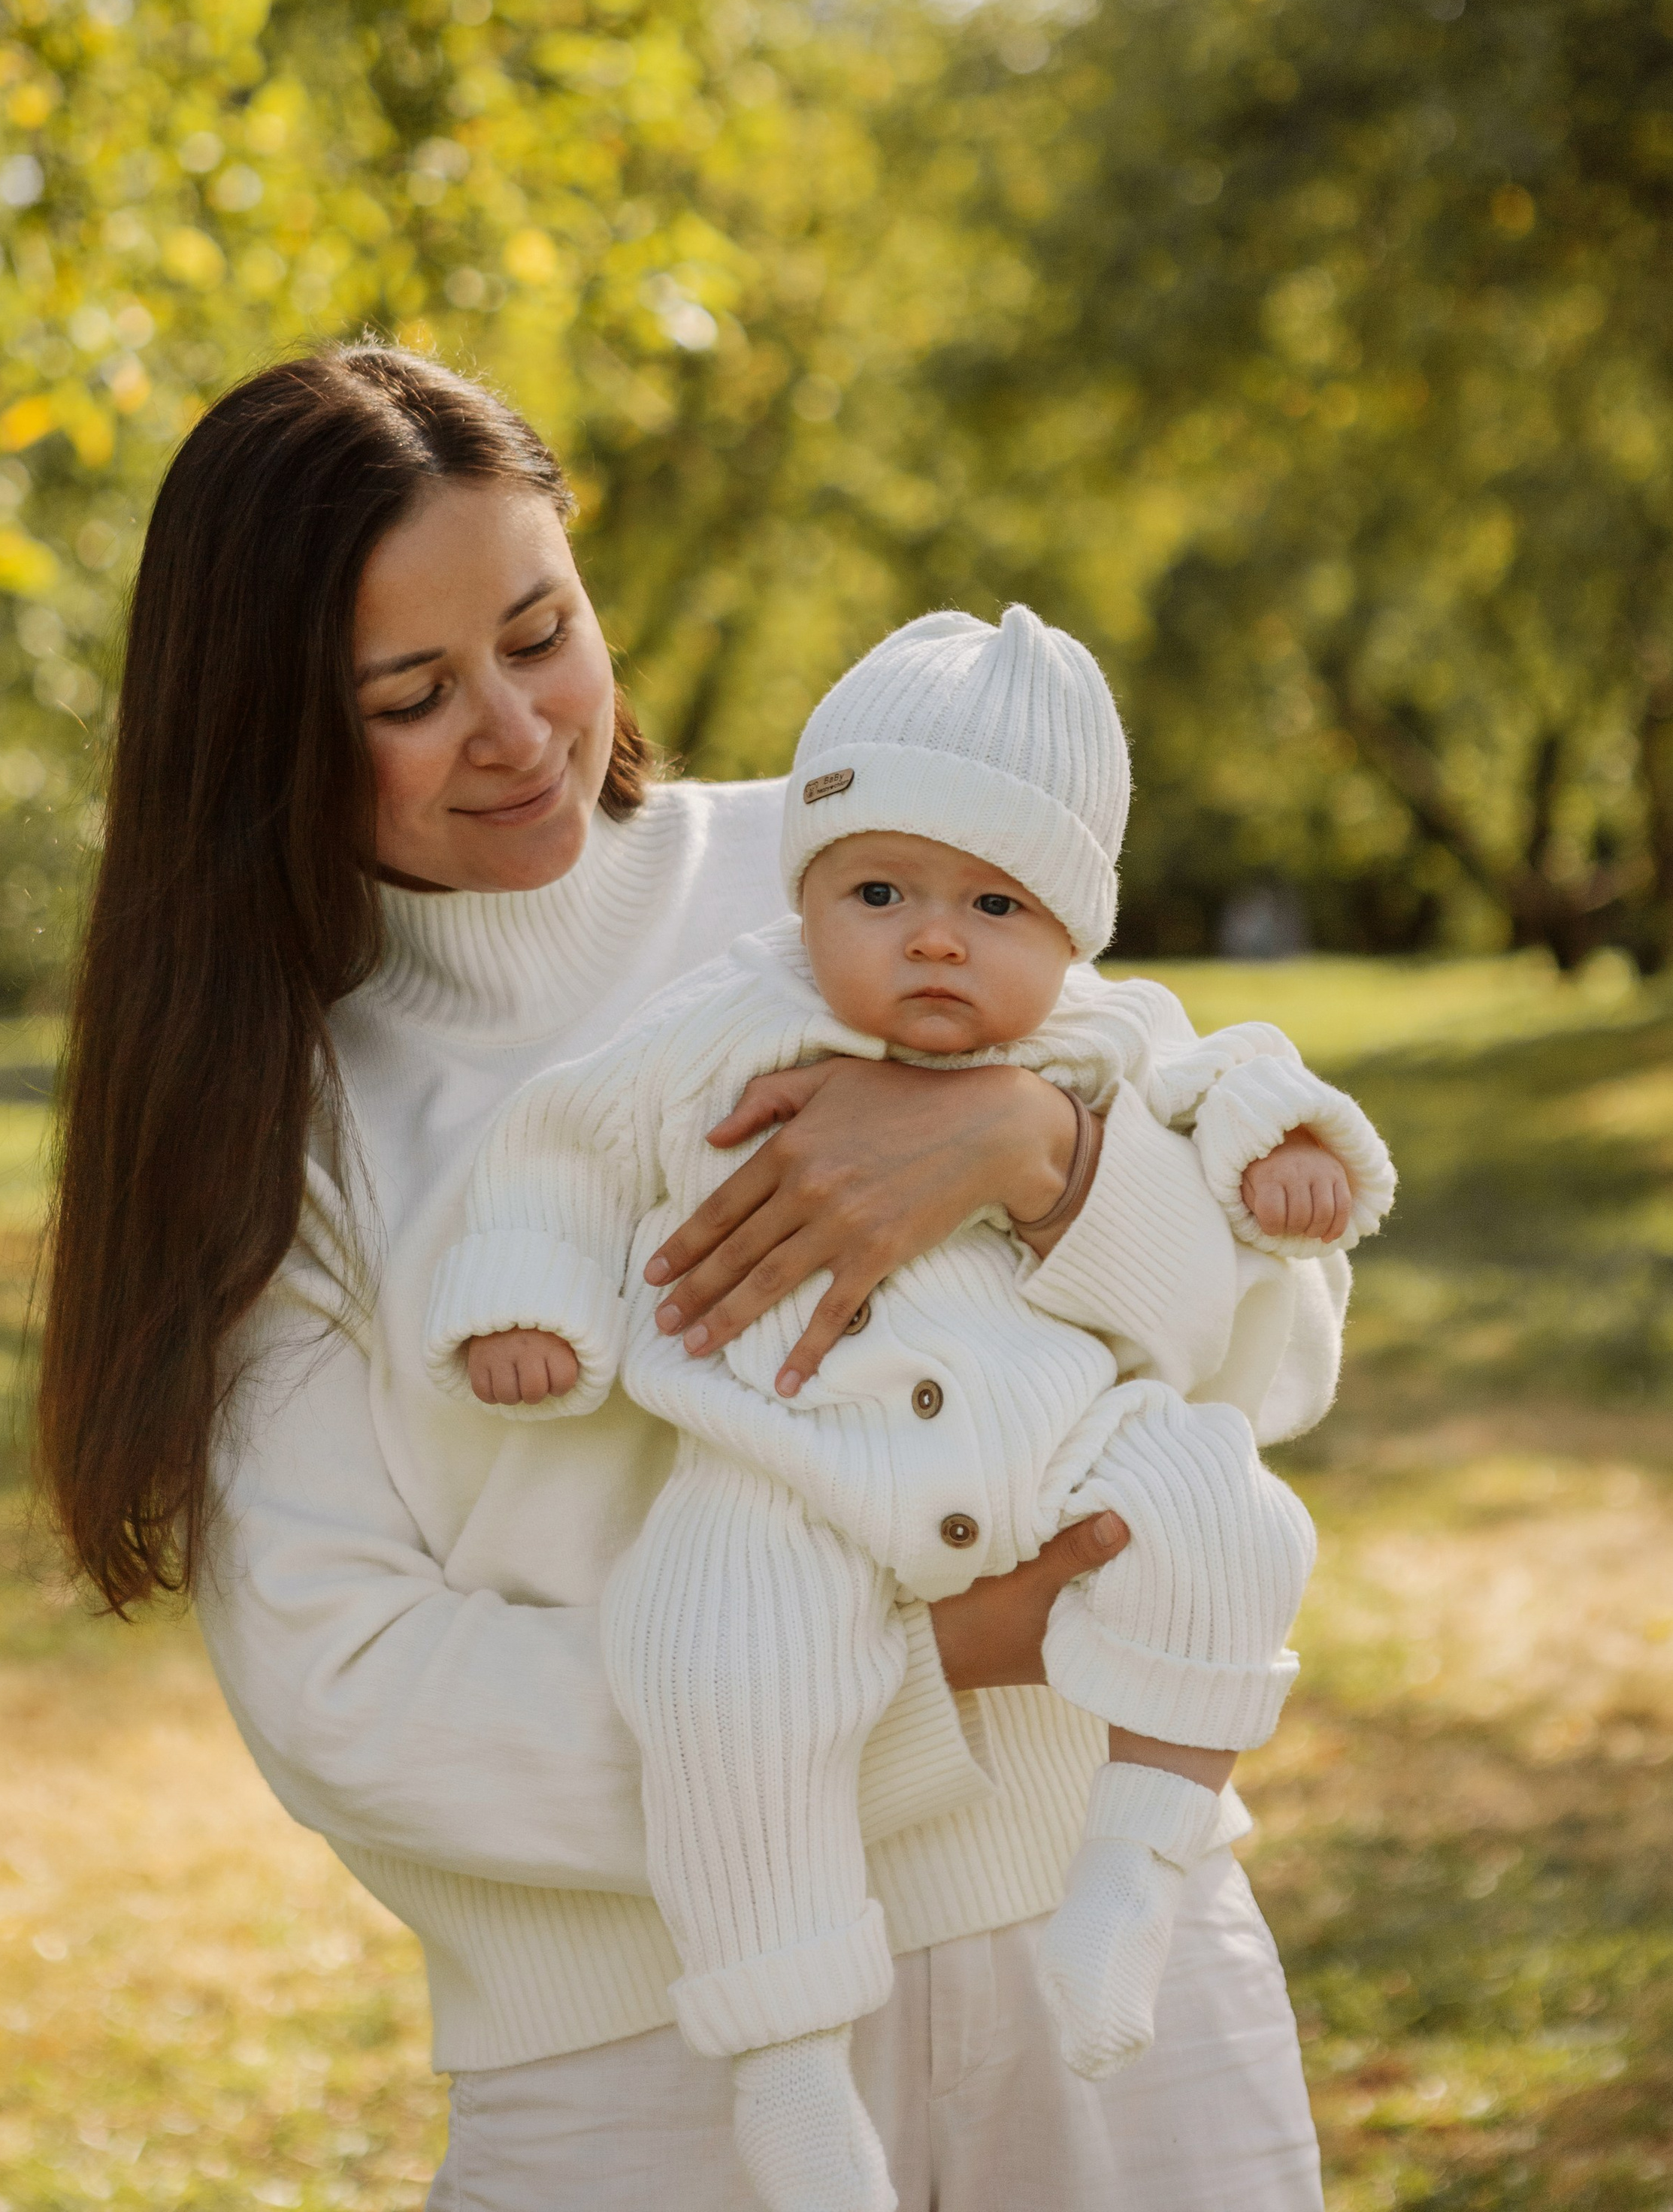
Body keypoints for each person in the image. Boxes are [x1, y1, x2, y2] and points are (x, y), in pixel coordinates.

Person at [38, 340, 1357, 2212]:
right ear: (263, 735)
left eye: (539, 630)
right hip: (632, 2068)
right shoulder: (279, 1120)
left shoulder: (859, 874)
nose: (512, 728)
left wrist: (1029, 1154)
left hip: (1096, 1959)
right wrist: (917, 1676)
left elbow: (1269, 1352)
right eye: (410, 694)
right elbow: (360, 1692)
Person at [427, 605, 1393, 2210]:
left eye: (992, 904)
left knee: (1233, 1519)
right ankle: (789, 2066)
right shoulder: (729, 1020)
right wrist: (524, 1295)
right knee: (715, 1667)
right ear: (806, 893)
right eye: (878, 893)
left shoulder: (1103, 1038)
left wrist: (1283, 1157)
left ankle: (1139, 1860)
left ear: (1072, 928)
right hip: (786, 1477)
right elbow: (567, 1147)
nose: (931, 937)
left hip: (1063, 1453)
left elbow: (1234, 1086)